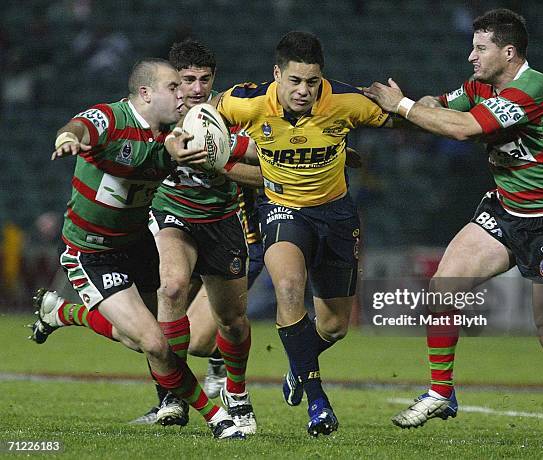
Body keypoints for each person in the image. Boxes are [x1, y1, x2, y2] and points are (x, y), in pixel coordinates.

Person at [364, 8, 543, 448]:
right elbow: (441, 108)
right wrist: (400, 107)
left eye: (480, 48)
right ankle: (442, 391)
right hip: (506, 210)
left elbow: (465, 128)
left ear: (508, 51)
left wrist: (404, 107)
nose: (471, 56)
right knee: (443, 285)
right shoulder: (481, 86)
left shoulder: (532, 87)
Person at [167, 31, 391, 437]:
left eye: (312, 82)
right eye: (295, 81)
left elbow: (405, 118)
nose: (304, 90)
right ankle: (317, 402)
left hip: (335, 214)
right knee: (286, 287)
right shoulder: (240, 103)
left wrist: (419, 106)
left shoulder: (346, 102)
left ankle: (298, 364)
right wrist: (181, 142)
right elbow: (201, 122)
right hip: (277, 213)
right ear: (277, 75)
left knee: (335, 326)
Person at [30, 58, 245, 440]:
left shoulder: (177, 132)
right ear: (145, 94)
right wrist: (67, 138)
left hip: (138, 245)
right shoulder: (111, 119)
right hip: (93, 252)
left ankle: (61, 312)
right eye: (174, 88)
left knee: (150, 339)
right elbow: (80, 127)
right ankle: (215, 417)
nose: (184, 95)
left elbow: (230, 147)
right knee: (152, 342)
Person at [140, 39, 260, 433]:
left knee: (233, 322)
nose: (196, 88)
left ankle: (237, 394)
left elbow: (266, 170)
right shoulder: (157, 117)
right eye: (187, 80)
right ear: (173, 82)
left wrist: (224, 157)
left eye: (204, 79)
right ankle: (171, 396)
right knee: (172, 288)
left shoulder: (230, 117)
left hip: (223, 221)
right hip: (173, 213)